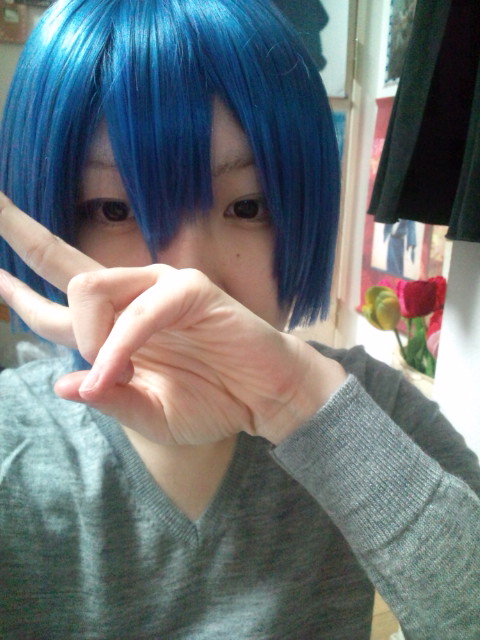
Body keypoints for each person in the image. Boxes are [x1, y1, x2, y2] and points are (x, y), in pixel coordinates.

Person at [0, 0, 479, 638]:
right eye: (115, 210)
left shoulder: (369, 407)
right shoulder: (15, 446)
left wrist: (296, 405)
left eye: (247, 206)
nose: (190, 281)